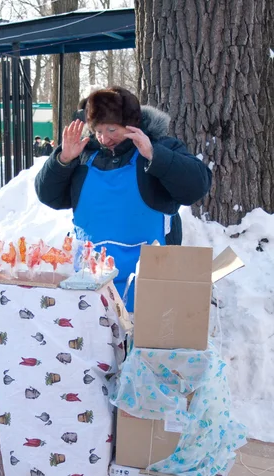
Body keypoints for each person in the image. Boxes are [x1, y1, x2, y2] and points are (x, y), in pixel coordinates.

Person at [35, 86, 212, 311]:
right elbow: (48, 195)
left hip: (149, 285)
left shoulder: (160, 147)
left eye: (111, 129)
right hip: (89, 285)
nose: (104, 138)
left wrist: (155, 156)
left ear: (131, 124)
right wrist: (63, 160)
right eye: (98, 130)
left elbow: (196, 187)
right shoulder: (84, 153)